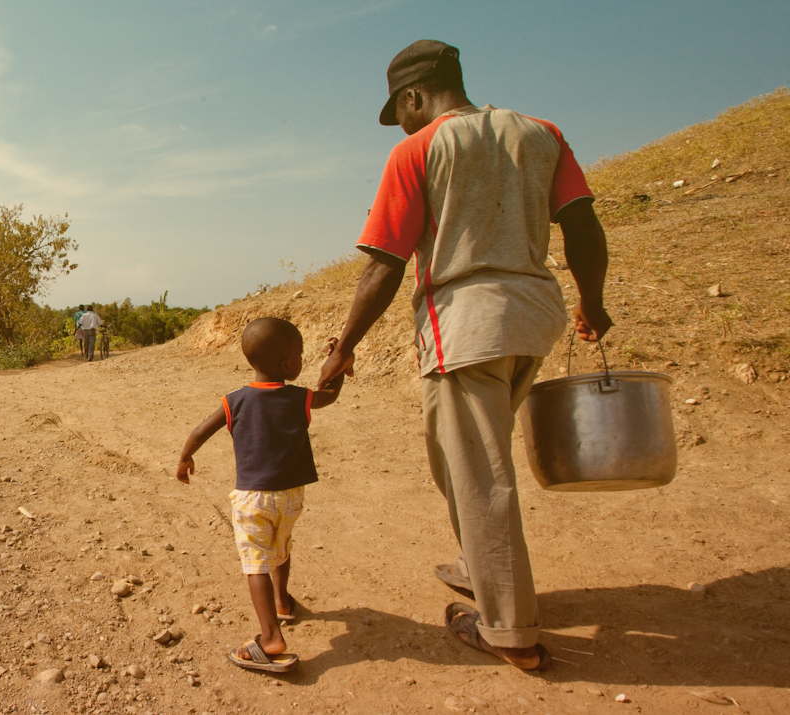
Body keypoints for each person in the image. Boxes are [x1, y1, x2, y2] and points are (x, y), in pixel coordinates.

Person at [318, 39, 613, 672]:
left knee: (479, 473)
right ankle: (482, 562)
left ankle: (509, 629)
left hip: (466, 322)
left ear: (415, 96)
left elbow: (385, 264)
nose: (399, 121)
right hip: (534, 315)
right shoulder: (542, 134)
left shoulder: (418, 149)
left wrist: (342, 349)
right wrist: (593, 300)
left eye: (399, 107)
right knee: (457, 454)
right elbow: (583, 224)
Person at [177, 318, 344, 673]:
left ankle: (270, 638)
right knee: (281, 549)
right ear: (287, 364)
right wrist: (340, 368)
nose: (301, 360)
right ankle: (282, 602)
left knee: (256, 565)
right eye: (299, 355)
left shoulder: (234, 400)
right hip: (291, 498)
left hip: (253, 500)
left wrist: (185, 458)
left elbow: (199, 431)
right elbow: (330, 395)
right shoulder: (300, 397)